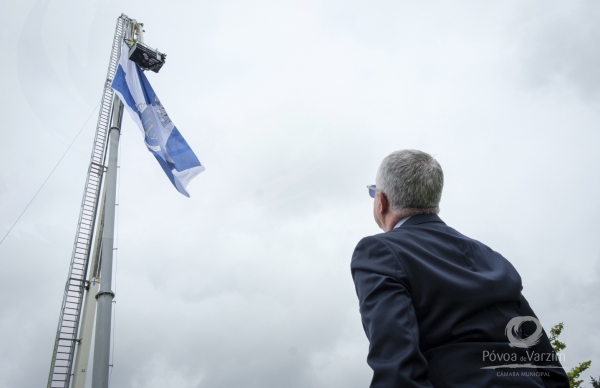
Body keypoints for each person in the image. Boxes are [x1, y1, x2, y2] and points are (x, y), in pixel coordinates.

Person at [351, 150, 569, 388]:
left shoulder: (379, 251)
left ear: (381, 201)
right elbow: (548, 365)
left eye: (373, 192)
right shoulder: (491, 257)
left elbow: (396, 364)